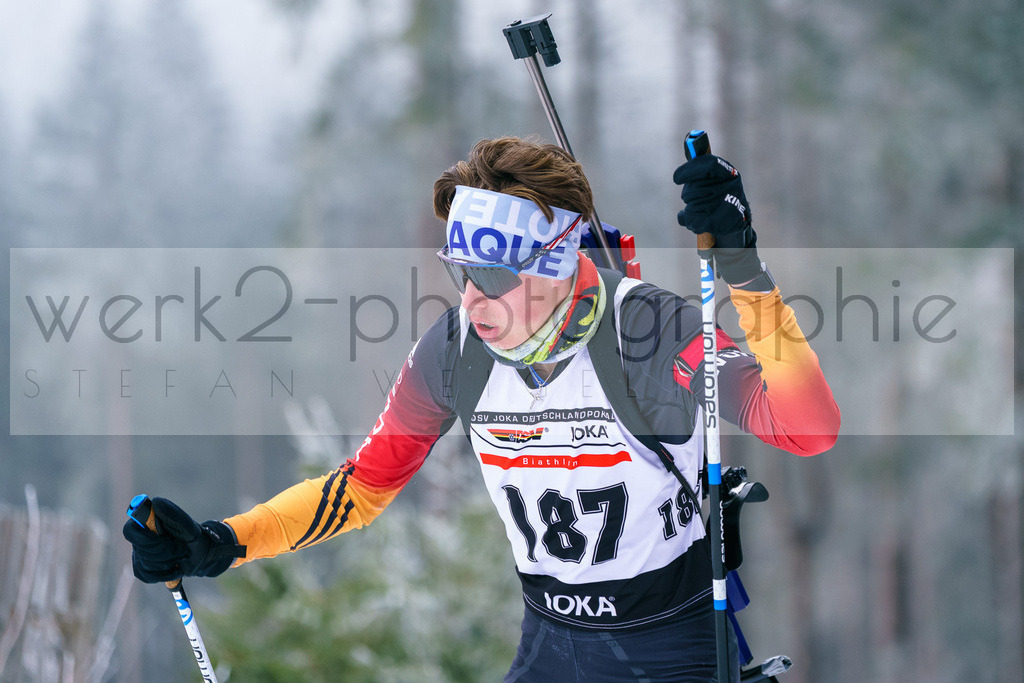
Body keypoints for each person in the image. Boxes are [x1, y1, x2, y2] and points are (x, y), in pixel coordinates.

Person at [124, 136, 840, 681]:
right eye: (461, 272)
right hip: (551, 642)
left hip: (670, 644)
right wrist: (223, 542)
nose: (471, 300)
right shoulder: (456, 349)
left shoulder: (650, 332)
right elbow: (362, 488)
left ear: (556, 264)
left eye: (493, 277)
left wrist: (743, 269)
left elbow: (808, 428)